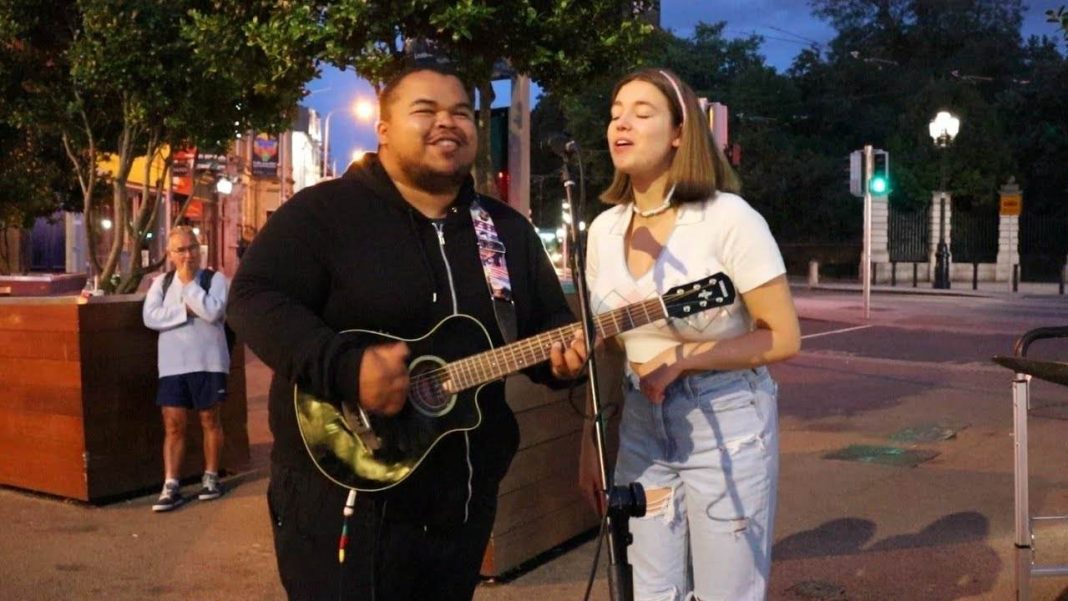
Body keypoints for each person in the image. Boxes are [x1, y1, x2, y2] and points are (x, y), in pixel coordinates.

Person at [227, 63, 587, 601]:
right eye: (426, 110)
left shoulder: (504, 230)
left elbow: (541, 327)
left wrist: (563, 357)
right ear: (385, 129)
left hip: (461, 503)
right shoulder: (323, 213)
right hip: (346, 500)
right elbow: (252, 298)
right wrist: (347, 368)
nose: (449, 122)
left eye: (461, 112)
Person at [578, 68, 801, 601]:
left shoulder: (728, 218)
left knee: (726, 592)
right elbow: (607, 351)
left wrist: (686, 355)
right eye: (614, 114)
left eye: (642, 112)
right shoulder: (602, 232)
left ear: (680, 132)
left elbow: (783, 337)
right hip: (638, 425)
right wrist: (591, 440)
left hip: (724, 419)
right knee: (650, 591)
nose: (621, 124)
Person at [142, 226, 229, 512]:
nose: (188, 254)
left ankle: (212, 477)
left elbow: (214, 312)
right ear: (170, 254)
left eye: (192, 247)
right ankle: (171, 484)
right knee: (173, 424)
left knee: (209, 420)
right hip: (172, 365)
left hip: (209, 361)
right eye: (180, 250)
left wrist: (191, 286)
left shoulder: (214, 279)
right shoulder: (161, 283)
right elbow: (150, 317)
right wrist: (186, 311)